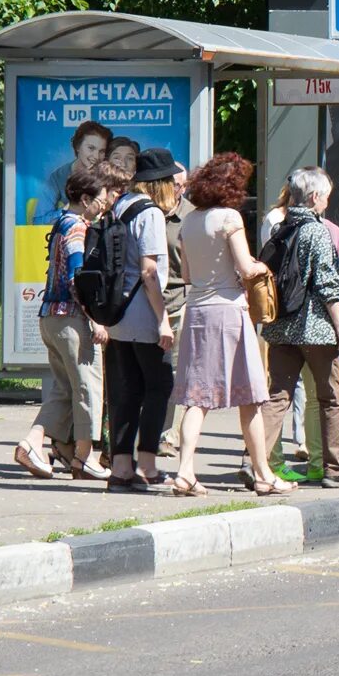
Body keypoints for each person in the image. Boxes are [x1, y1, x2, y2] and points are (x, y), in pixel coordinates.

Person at [170, 153, 294, 497]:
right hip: (229, 313)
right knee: (251, 397)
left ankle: (184, 472)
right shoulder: (230, 218)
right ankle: (263, 474)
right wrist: (261, 266)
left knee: (197, 398)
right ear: (233, 186)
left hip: (196, 311)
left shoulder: (190, 221)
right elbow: (244, 267)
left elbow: (188, 275)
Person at [13, 168, 116, 481]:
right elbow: (76, 279)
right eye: (100, 199)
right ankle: (84, 458)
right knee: (88, 387)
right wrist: (94, 319)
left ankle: (31, 443)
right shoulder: (76, 229)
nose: (104, 204)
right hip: (71, 318)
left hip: (50, 316)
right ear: (85, 199)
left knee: (63, 390)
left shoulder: (59, 221)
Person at [262, 168, 339, 489]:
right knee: (330, 397)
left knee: (277, 397)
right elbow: (328, 284)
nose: (327, 203)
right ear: (315, 197)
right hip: (316, 330)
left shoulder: (281, 227)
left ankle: (260, 465)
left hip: (281, 329)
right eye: (327, 197)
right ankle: (334, 469)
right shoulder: (317, 231)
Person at [103, 148, 182, 492]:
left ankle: (121, 467)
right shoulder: (149, 214)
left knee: (126, 390)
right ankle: (147, 464)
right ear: (161, 184)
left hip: (117, 313)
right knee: (159, 387)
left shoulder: (118, 205)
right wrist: (163, 320)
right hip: (143, 314)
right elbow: (150, 272)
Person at [157, 163, 191, 458]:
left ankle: (167, 435)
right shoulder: (150, 211)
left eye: (180, 185)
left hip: (179, 302)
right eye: (171, 184)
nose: (175, 190)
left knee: (173, 372)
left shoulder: (190, 216)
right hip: (148, 302)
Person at [41, 120, 112, 222]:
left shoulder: (107, 175)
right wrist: (70, 209)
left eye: (101, 151)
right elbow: (39, 220)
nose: (96, 157)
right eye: (91, 148)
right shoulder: (58, 177)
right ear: (78, 146)